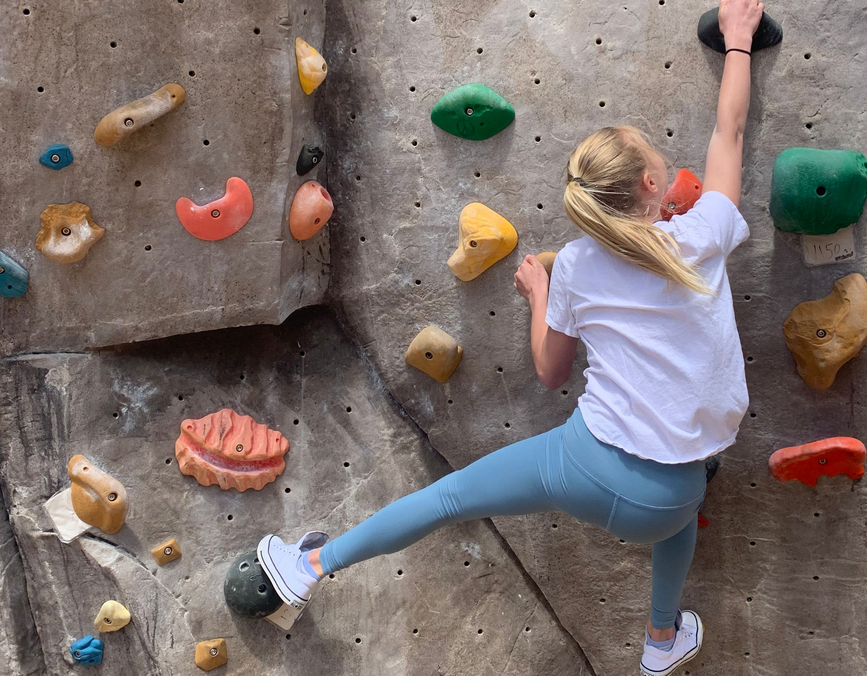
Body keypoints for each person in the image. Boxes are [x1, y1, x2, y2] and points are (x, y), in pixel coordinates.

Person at [258, 1, 761, 672]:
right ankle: (661, 640)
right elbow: (729, 134)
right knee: (677, 500)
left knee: (450, 498)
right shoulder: (703, 235)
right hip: (674, 498)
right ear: (653, 184)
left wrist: (539, 295)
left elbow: (551, 374)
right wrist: (738, 42)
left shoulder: (578, 264)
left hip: (588, 469)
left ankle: (312, 563)